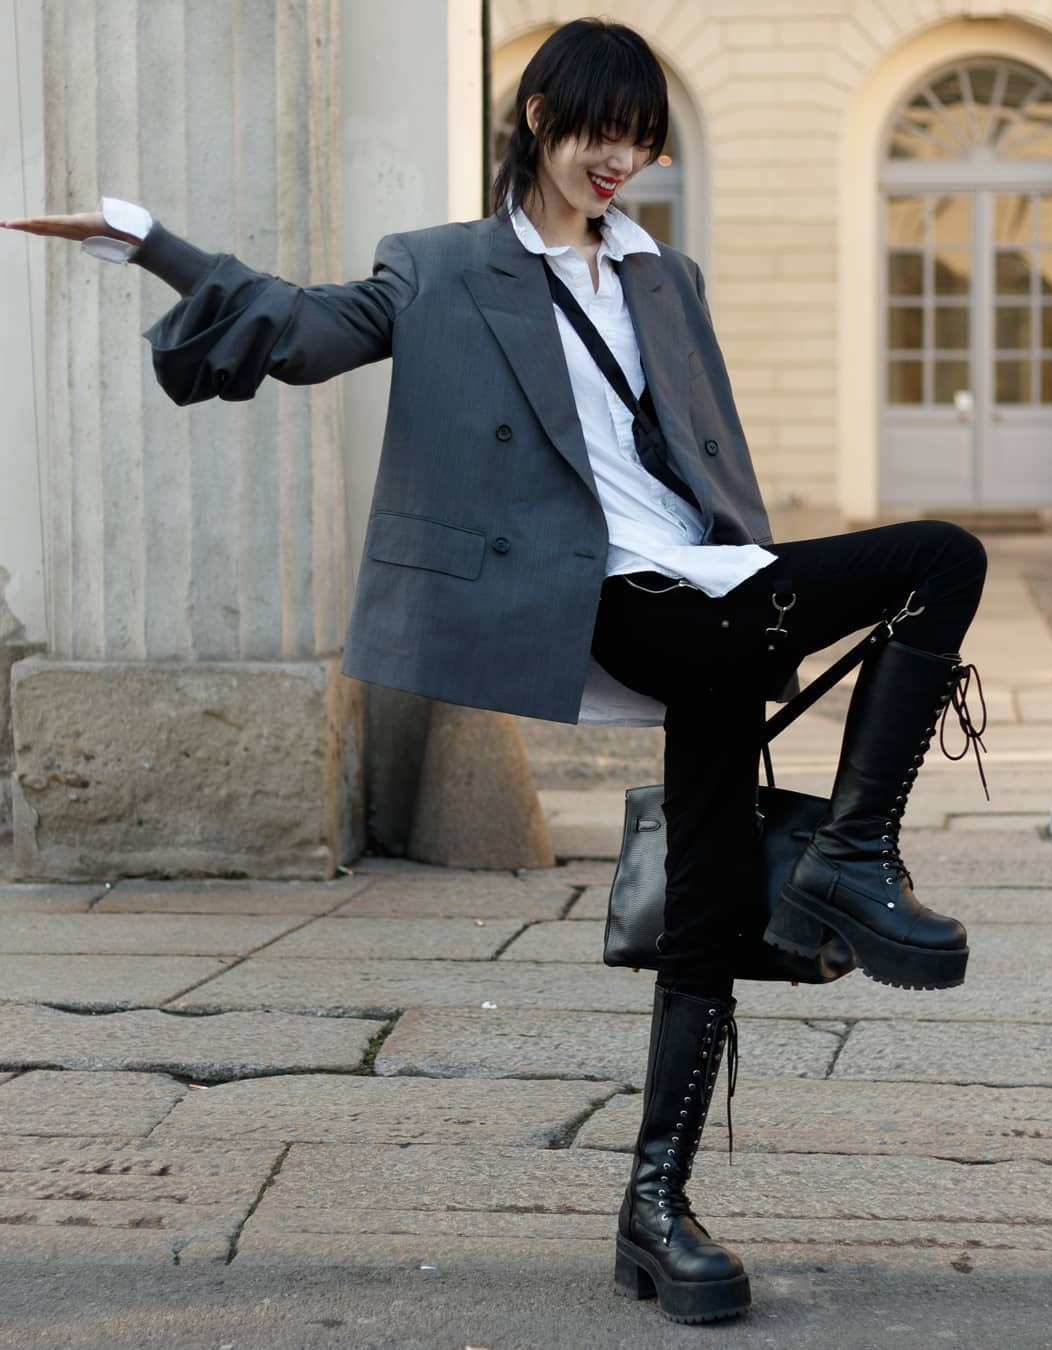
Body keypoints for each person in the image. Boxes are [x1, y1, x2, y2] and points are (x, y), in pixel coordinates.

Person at [2, 16, 988, 1327]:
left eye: (643, 137)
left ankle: (661, 1199)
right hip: (596, 599)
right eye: (601, 131)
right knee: (759, 659)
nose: (622, 158)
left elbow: (705, 464)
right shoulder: (444, 271)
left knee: (912, 598)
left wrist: (754, 568)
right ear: (537, 116)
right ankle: (844, 867)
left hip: (712, 596)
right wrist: (148, 240)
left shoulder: (662, 277)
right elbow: (298, 331)